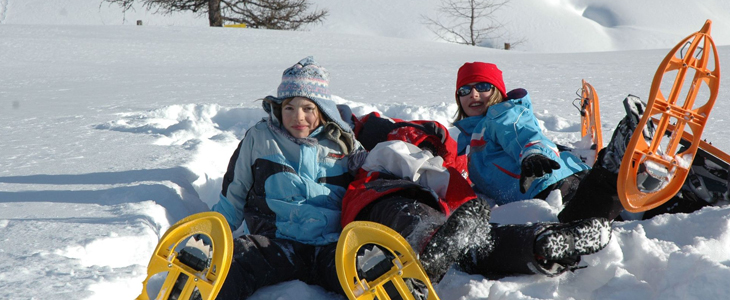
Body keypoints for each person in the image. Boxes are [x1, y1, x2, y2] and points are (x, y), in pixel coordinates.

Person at [339, 111, 612, 283]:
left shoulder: (456, 160)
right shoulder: (388, 150)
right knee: (417, 217)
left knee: (479, 244)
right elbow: (425, 171)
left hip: (439, 219)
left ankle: (540, 244)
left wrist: (465, 217)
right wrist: (464, 206)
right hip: (382, 199)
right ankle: (433, 247)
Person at [451, 61, 726, 223]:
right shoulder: (470, 137)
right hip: (552, 185)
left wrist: (533, 154)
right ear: (458, 99)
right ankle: (688, 194)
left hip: (550, 186)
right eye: (465, 90)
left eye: (483, 87)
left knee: (579, 221)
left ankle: (618, 160)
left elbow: (523, 134)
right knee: (622, 216)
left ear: (497, 92)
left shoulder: (500, 116)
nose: (474, 94)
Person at [211, 56, 364, 299]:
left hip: (332, 246)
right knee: (231, 260)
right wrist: (211, 235)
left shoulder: (343, 143)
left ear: (323, 110)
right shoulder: (260, 138)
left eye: (308, 108)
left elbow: (368, 186)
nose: (298, 117)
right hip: (276, 242)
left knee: (368, 270)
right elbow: (235, 193)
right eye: (289, 108)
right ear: (278, 108)